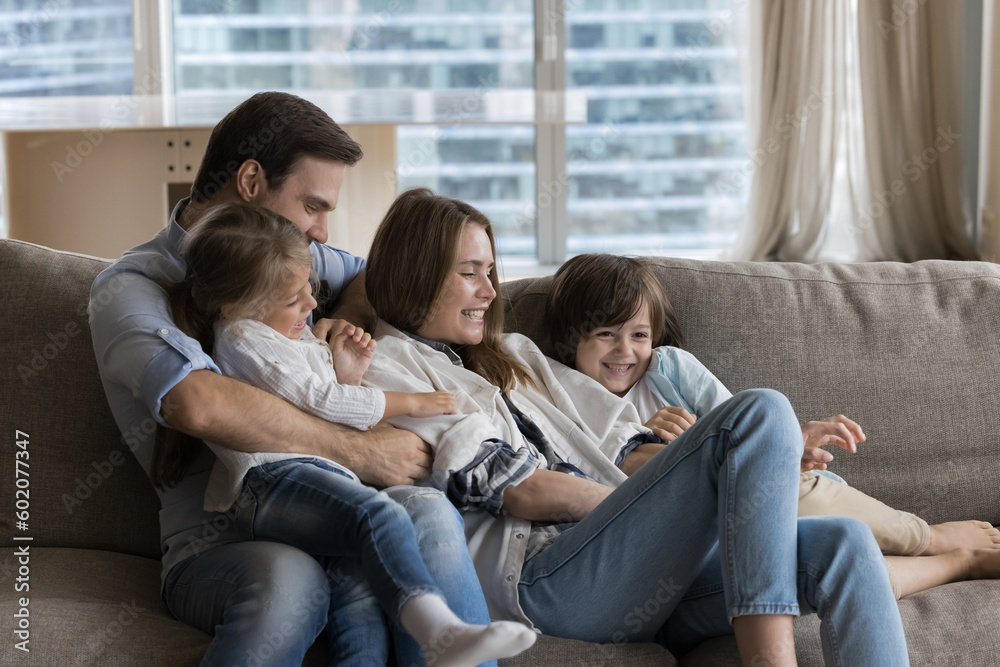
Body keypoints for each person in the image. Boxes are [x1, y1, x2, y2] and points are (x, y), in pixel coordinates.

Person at [358, 188, 911, 666]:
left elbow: (626, 447)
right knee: (759, 409)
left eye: (490, 272)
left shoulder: (515, 355)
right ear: (417, 272)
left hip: (638, 578)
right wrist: (653, 514)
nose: (490, 291)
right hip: (547, 582)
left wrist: (754, 462)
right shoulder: (387, 369)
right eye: (469, 273)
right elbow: (523, 491)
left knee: (845, 542)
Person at [89, 93, 497, 666]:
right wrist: (358, 449)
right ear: (252, 180)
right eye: (313, 206)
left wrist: (335, 336)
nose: (323, 232)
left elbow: (376, 280)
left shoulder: (292, 256)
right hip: (223, 540)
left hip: (328, 507)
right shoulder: (130, 289)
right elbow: (198, 403)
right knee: (292, 578)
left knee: (427, 512)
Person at [154, 200, 536, 667]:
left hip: (311, 482)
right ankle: (435, 626)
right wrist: (409, 402)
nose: (314, 305)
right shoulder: (245, 339)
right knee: (379, 517)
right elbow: (322, 402)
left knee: (355, 592)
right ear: (237, 304)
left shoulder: (286, 327)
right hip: (271, 483)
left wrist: (348, 371)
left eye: (311, 289)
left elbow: (374, 277)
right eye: (295, 299)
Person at [543, 252, 1000, 600]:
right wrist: (644, 442)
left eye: (638, 334)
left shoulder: (668, 371)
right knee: (820, 562)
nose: (625, 350)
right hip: (704, 531)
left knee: (805, 503)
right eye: (606, 333)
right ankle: (952, 559)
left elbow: (745, 423)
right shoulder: (565, 399)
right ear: (571, 337)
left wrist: (786, 443)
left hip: (765, 488)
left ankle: (930, 537)